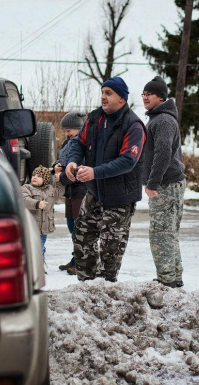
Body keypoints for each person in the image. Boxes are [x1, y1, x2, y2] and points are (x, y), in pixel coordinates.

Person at [64, 77, 146, 283]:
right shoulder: (94, 119)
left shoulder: (133, 125)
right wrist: (72, 162)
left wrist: (95, 172)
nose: (103, 96)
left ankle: (105, 291)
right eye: (102, 92)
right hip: (94, 192)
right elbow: (78, 145)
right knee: (82, 237)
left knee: (111, 248)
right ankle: (87, 286)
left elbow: (128, 161)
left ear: (122, 98)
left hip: (119, 196)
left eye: (109, 93)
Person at [141, 76, 186, 288]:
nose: (145, 97)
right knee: (169, 233)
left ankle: (167, 280)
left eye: (149, 94)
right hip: (169, 184)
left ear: (161, 97)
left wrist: (152, 183)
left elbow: (163, 153)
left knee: (160, 235)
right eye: (143, 94)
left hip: (166, 186)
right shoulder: (159, 119)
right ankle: (174, 277)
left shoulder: (163, 121)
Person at [55, 111, 88, 275]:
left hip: (81, 190)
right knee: (71, 225)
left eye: (69, 130)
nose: (66, 133)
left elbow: (76, 170)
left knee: (80, 227)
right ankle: (75, 258)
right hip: (69, 191)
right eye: (65, 130)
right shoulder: (68, 143)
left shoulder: (82, 144)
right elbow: (64, 162)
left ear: (79, 128)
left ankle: (82, 262)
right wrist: (57, 166)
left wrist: (59, 178)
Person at [22, 165, 64, 260]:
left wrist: (59, 180)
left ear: (45, 179)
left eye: (39, 176)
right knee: (33, 249)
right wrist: (37, 204)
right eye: (34, 175)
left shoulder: (50, 189)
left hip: (43, 228)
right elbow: (24, 199)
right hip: (30, 227)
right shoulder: (26, 187)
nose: (35, 177)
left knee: (39, 248)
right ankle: (34, 268)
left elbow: (60, 191)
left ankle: (40, 264)